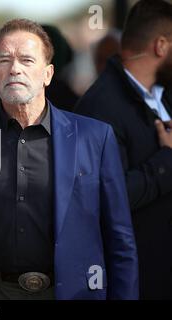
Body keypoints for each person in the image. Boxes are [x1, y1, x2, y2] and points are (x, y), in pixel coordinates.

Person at [0, 19, 138, 300]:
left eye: (27, 59)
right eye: (4, 60)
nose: (14, 68)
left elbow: (119, 239)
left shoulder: (94, 137)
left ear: (48, 73)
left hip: (71, 292)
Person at [75, 0, 172, 299]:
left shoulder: (164, 95)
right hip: (139, 281)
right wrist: (167, 159)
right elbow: (106, 197)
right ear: (160, 46)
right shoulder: (99, 108)